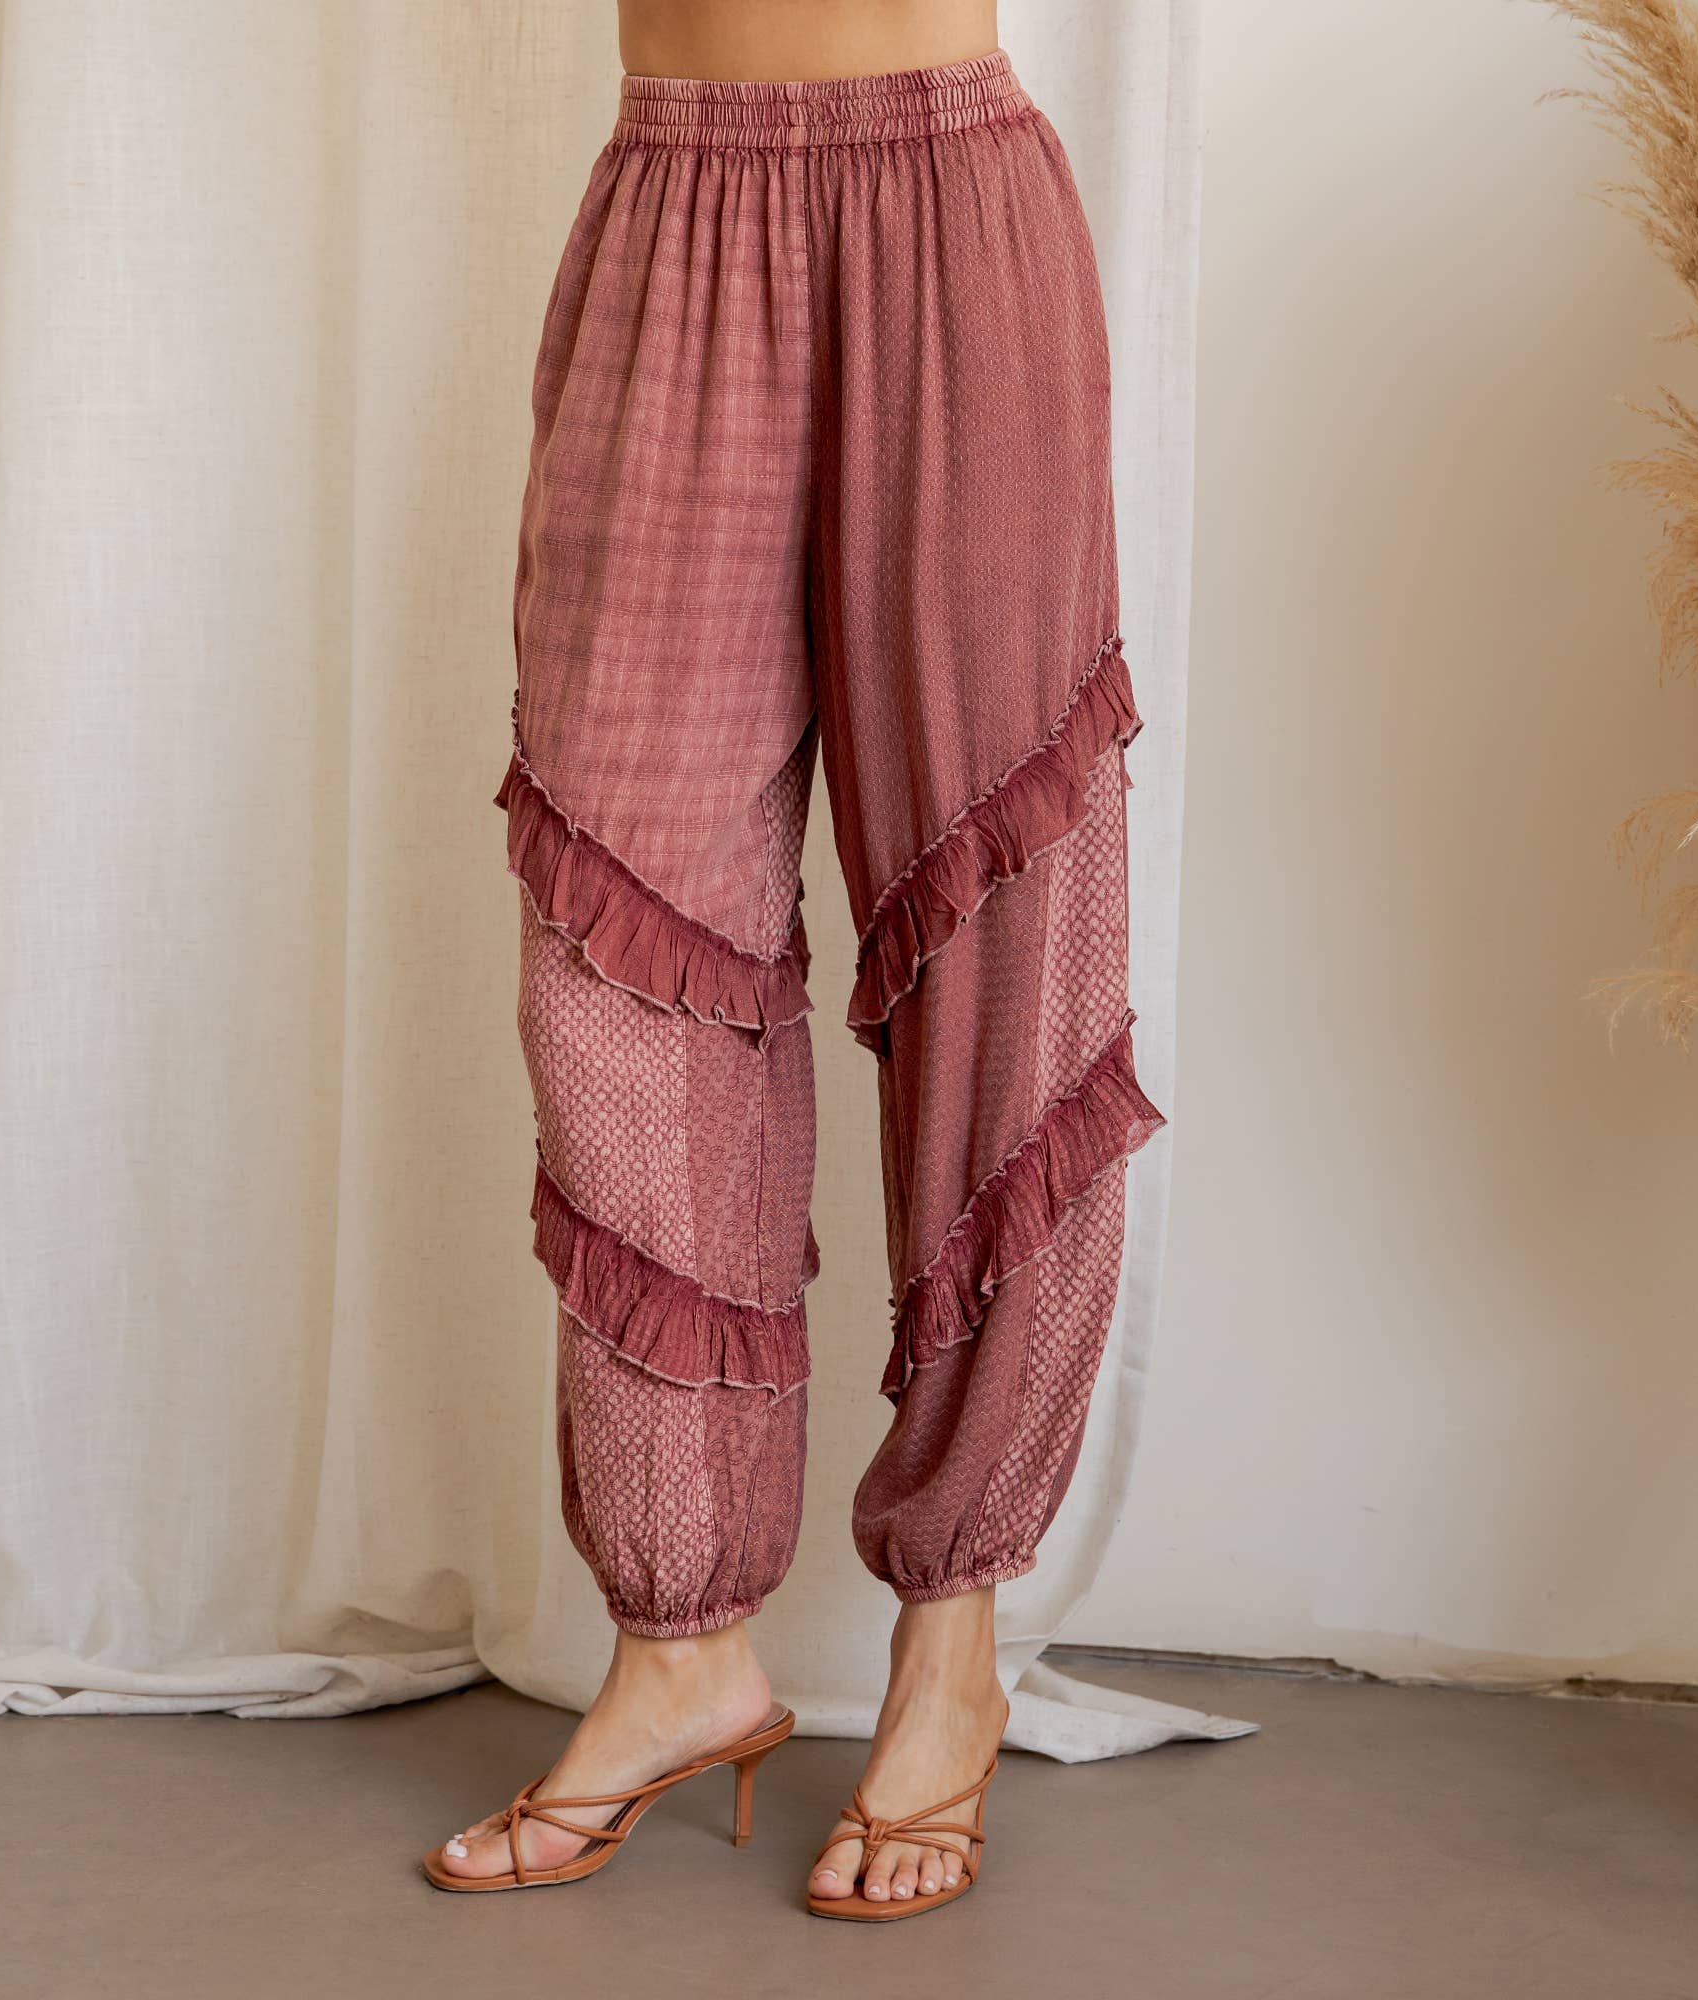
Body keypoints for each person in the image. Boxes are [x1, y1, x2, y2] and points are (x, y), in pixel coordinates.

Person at [422, 0, 1163, 1919]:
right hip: (674, 210)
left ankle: (955, 1649)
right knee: (622, 930)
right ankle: (681, 1649)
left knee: (996, 934)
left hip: (955, 215)